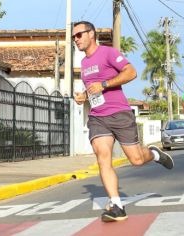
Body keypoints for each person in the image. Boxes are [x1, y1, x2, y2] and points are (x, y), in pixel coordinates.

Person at [72, 21, 174, 223]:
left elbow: (131, 72)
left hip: (119, 113)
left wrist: (104, 84)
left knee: (136, 160)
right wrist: (83, 96)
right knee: (103, 157)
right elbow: (93, 90)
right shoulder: (83, 64)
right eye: (74, 37)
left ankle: (153, 153)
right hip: (98, 116)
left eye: (79, 35)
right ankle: (117, 205)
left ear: (91, 34)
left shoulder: (108, 53)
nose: (76, 39)